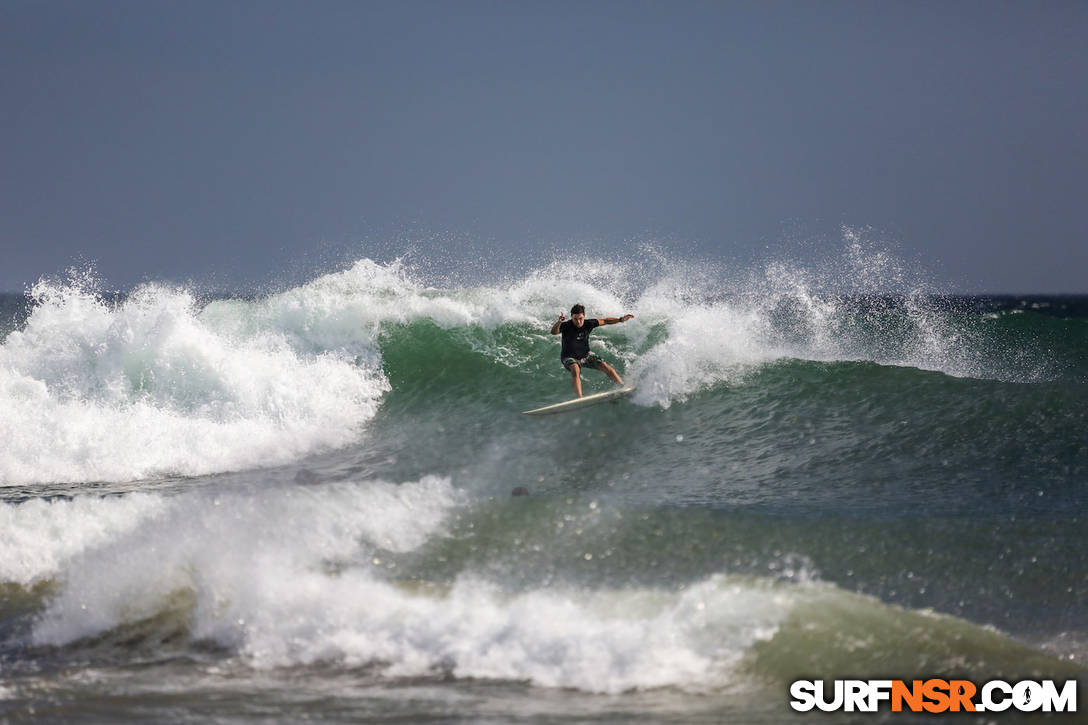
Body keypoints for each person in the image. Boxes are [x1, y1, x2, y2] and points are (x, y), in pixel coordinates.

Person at [549, 303, 634, 398]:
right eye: (575, 319)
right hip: (569, 357)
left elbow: (605, 321)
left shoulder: (589, 323)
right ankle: (580, 398)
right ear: (571, 317)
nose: (578, 321)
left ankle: (622, 387)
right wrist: (559, 322)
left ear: (584, 316)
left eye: (580, 318)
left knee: (605, 366)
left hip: (586, 356)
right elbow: (553, 332)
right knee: (575, 369)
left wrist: (620, 319)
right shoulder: (566, 325)